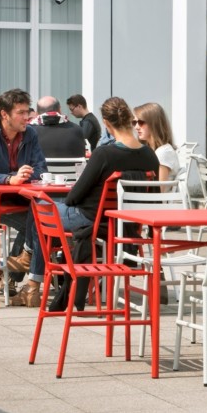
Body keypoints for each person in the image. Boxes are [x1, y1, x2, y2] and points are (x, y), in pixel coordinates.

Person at [50, 96, 159, 310]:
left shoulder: (104, 154)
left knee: (39, 209)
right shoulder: (150, 156)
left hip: (93, 219)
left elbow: (74, 197)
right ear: (129, 120)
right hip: (128, 225)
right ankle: (72, 269)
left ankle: (41, 279)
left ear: (107, 124)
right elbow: (153, 197)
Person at [0, 89, 47, 307]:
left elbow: (41, 169)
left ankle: (10, 274)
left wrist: (24, 176)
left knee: (40, 219)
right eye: (21, 113)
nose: (27, 117)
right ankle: (15, 276)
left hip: (22, 200)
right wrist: (10, 179)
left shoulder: (30, 134)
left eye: (27, 112)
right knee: (39, 224)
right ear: (4, 114)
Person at [133, 102, 179, 182]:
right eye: (134, 122)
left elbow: (160, 187)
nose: (136, 127)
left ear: (154, 123)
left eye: (141, 122)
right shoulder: (151, 151)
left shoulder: (163, 152)